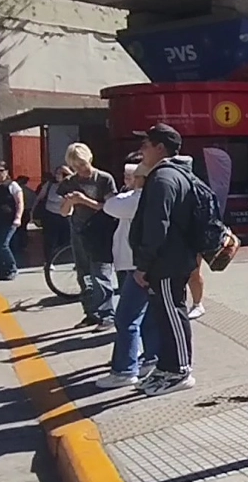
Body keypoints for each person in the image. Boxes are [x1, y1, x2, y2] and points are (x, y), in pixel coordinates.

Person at [131, 123, 200, 396]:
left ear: (160, 148)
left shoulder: (163, 178)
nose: (142, 150)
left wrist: (143, 264)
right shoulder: (173, 174)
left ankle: (180, 370)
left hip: (167, 262)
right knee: (164, 315)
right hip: (169, 259)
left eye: (146, 144)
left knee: (173, 314)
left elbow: (157, 225)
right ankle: (167, 366)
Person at [97, 159, 160, 389]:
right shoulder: (152, 198)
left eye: (133, 176)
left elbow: (110, 206)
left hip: (136, 265)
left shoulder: (138, 199)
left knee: (126, 318)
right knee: (147, 315)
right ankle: (151, 357)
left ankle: (124, 370)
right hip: (141, 264)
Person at [59, 143, 118, 330]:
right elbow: (63, 212)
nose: (81, 170)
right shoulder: (69, 182)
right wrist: (70, 202)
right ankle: (91, 313)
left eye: (83, 164)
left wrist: (85, 201)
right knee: (83, 273)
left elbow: (110, 207)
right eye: (76, 166)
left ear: (89, 159)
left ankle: (107, 315)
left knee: (100, 273)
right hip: (78, 230)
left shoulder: (104, 179)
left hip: (100, 230)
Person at [35, 167, 72, 262]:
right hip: (51, 215)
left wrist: (69, 174)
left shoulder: (71, 185)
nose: (58, 175)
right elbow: (40, 197)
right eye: (57, 173)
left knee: (67, 239)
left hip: (67, 216)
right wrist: (33, 211)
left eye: (61, 173)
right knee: (50, 239)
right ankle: (48, 261)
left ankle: (68, 259)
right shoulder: (50, 184)